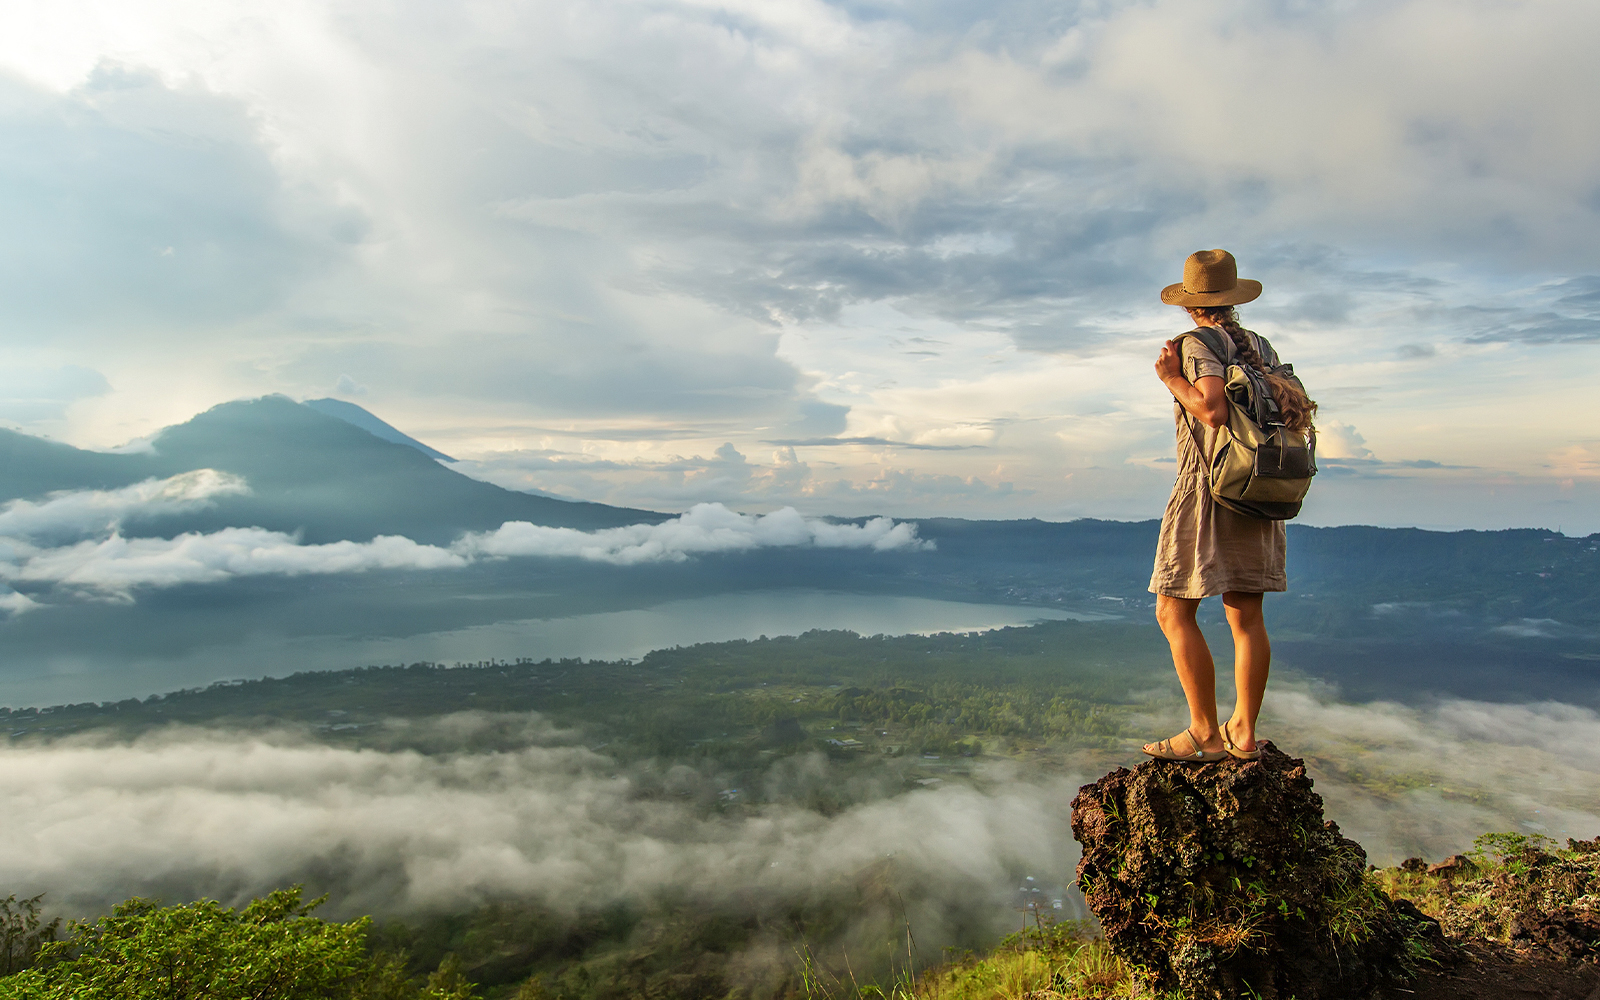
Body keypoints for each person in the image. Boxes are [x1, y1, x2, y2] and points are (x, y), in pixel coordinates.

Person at [1140, 249, 1316, 763]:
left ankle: (1203, 732)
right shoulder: (1259, 346)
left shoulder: (1196, 345)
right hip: (1259, 487)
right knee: (1246, 614)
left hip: (1211, 488)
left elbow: (1213, 411)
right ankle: (1243, 730)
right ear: (1233, 298)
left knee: (1172, 611)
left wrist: (1172, 380)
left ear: (1191, 304)